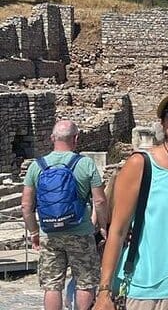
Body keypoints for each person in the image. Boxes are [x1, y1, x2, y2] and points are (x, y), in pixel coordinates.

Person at [94, 91, 168, 310]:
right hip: (150, 289)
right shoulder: (140, 164)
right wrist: (104, 291)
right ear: (162, 122)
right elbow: (118, 231)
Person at [21, 120, 108, 310]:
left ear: (52, 138)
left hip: (49, 233)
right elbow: (100, 201)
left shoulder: (36, 166)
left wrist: (34, 232)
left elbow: (26, 205)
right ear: (76, 138)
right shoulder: (85, 164)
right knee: (85, 281)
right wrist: (102, 226)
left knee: (52, 285)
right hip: (80, 231)